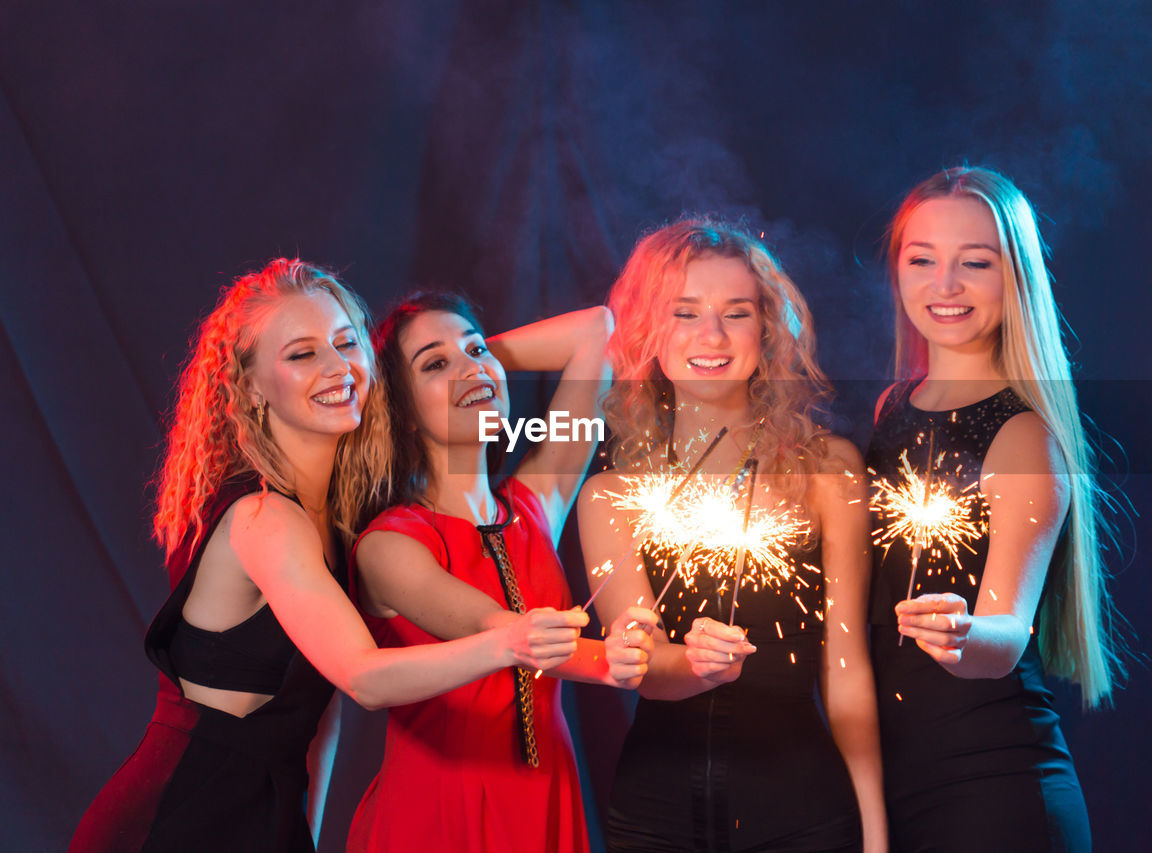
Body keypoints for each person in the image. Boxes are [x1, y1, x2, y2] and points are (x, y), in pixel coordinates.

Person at [70, 260, 592, 853]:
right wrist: (510, 642)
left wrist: (468, 362)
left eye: (347, 344)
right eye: (302, 354)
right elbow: (362, 677)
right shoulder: (265, 518)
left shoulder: (341, 522)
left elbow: (318, 716)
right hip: (179, 820)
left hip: (269, 819)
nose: (338, 366)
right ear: (250, 389)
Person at [577, 219, 889, 852]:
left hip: (803, 813)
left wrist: (876, 835)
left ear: (768, 329)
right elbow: (641, 665)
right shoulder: (611, 495)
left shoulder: (828, 469)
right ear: (647, 331)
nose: (711, 335)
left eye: (736, 313)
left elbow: (847, 667)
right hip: (654, 817)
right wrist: (694, 667)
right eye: (684, 313)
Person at [867, 166, 1124, 852]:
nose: (944, 285)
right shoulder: (891, 409)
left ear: (1016, 279)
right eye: (922, 259)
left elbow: (1007, 634)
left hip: (994, 796)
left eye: (974, 263)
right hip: (895, 790)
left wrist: (959, 632)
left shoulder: (1025, 437)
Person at [346, 292, 657, 853]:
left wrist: (477, 366)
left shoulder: (536, 502)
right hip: (441, 811)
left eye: (476, 347)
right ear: (403, 413)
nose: (470, 365)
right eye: (434, 363)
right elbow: (503, 628)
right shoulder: (389, 544)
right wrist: (611, 660)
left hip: (547, 798)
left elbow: (595, 329)